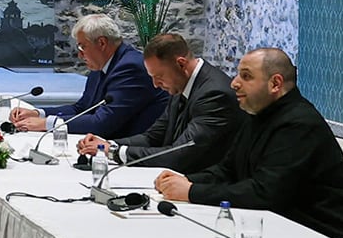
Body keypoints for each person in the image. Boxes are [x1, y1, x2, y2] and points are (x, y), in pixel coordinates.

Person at [153, 48, 343, 238]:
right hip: (288, 233)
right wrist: (181, 181)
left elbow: (264, 194)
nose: (234, 83)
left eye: (246, 76)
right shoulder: (257, 114)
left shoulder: (299, 125)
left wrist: (191, 191)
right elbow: (227, 171)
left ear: (275, 83)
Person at [78, 31, 240, 174]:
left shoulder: (214, 95)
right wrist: (106, 144)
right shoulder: (180, 83)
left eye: (159, 76)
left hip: (203, 184)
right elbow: (153, 137)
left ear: (181, 63)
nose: (155, 85)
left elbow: (180, 154)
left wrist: (114, 152)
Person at [9, 14, 166, 140]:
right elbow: (82, 108)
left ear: (102, 43)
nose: (79, 54)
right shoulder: (102, 64)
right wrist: (38, 113)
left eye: (83, 46)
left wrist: (47, 123)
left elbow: (102, 123)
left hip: (133, 151)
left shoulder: (130, 67)